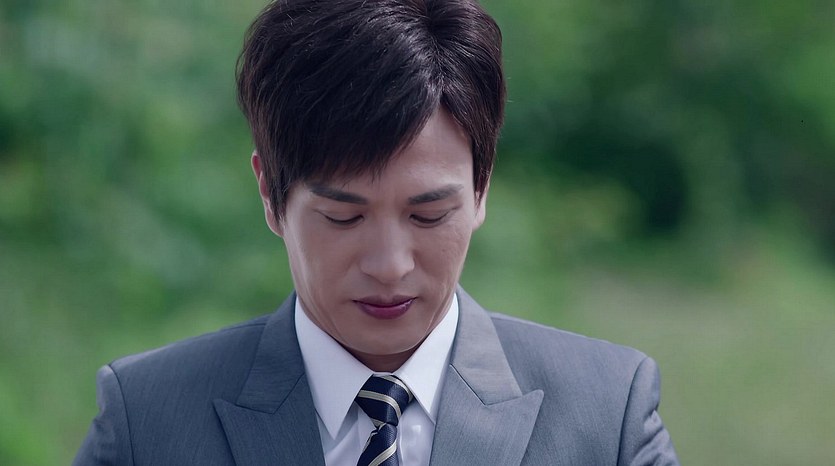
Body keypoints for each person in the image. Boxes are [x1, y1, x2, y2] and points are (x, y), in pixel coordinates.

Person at [74, 0, 679, 464]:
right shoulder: (146, 419)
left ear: (481, 189)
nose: (390, 265)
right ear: (269, 194)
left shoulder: (606, 412)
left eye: (428, 215)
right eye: (344, 216)